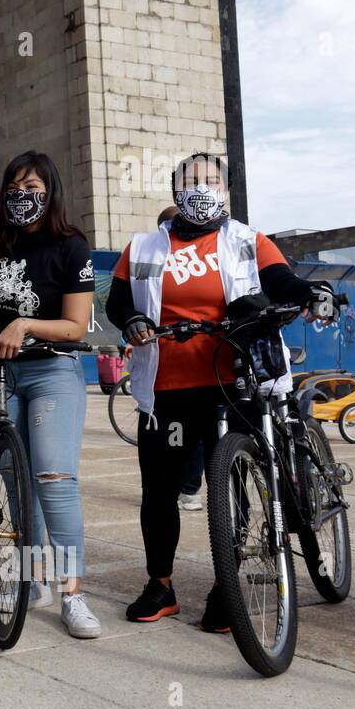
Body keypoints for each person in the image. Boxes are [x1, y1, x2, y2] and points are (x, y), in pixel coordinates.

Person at [106, 152, 336, 631]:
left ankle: (224, 587)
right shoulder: (144, 246)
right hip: (166, 387)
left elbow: (282, 281)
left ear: (226, 190)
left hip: (234, 382)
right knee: (159, 490)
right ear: (175, 192)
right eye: (192, 181)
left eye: (212, 180)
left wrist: (312, 293)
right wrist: (131, 320)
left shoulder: (248, 240)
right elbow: (118, 298)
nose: (202, 188)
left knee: (229, 484)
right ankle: (160, 585)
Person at [0, 150, 101, 639]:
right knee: (14, 478)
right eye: (15, 188)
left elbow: (74, 325)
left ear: (50, 192)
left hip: (50, 367)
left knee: (52, 476)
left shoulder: (71, 246)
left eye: (33, 189)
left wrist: (25, 323)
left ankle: (73, 592)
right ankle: (33, 579)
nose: (22, 197)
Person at [155, 205, 205, 511]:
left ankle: (188, 489)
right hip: (171, 370)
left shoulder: (211, 254)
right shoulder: (148, 255)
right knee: (180, 437)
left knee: (194, 437)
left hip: (204, 368)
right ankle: (184, 489)